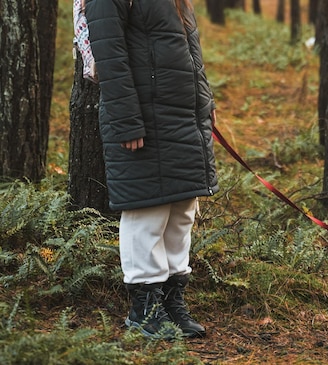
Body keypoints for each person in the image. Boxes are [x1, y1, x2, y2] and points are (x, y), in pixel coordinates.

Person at [85, 0, 219, 339]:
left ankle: (172, 302)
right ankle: (143, 308)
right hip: (144, 117)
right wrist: (127, 121)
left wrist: (205, 103)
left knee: (182, 209)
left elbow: (191, 51)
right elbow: (110, 55)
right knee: (147, 211)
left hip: (184, 117)